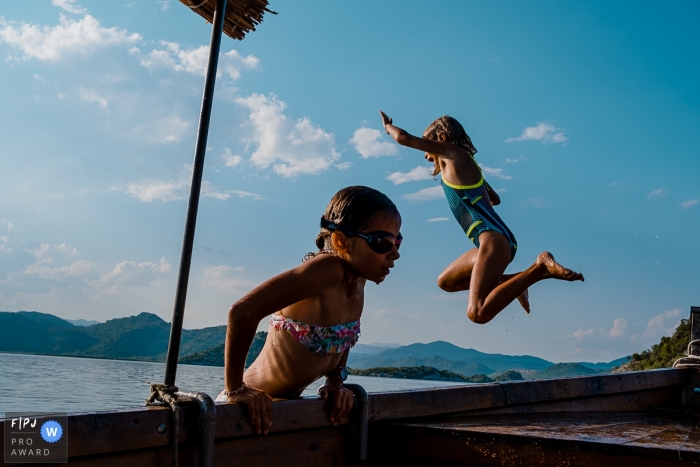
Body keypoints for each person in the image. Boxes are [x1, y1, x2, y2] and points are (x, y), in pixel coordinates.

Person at [218, 186, 402, 435]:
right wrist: (235, 389)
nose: (396, 253)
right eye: (383, 242)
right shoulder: (326, 270)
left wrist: (335, 382)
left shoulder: (358, 281)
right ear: (340, 241)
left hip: (275, 413)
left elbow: (342, 337)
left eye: (397, 240)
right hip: (239, 411)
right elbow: (241, 312)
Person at [380, 111, 583, 325]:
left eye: (426, 144)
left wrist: (388, 128)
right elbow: (494, 199)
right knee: (446, 282)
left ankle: (539, 268)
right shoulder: (467, 166)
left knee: (477, 312)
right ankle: (516, 284)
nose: (424, 153)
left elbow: (403, 138)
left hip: (492, 239)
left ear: (441, 138)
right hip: (493, 238)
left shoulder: (453, 153)